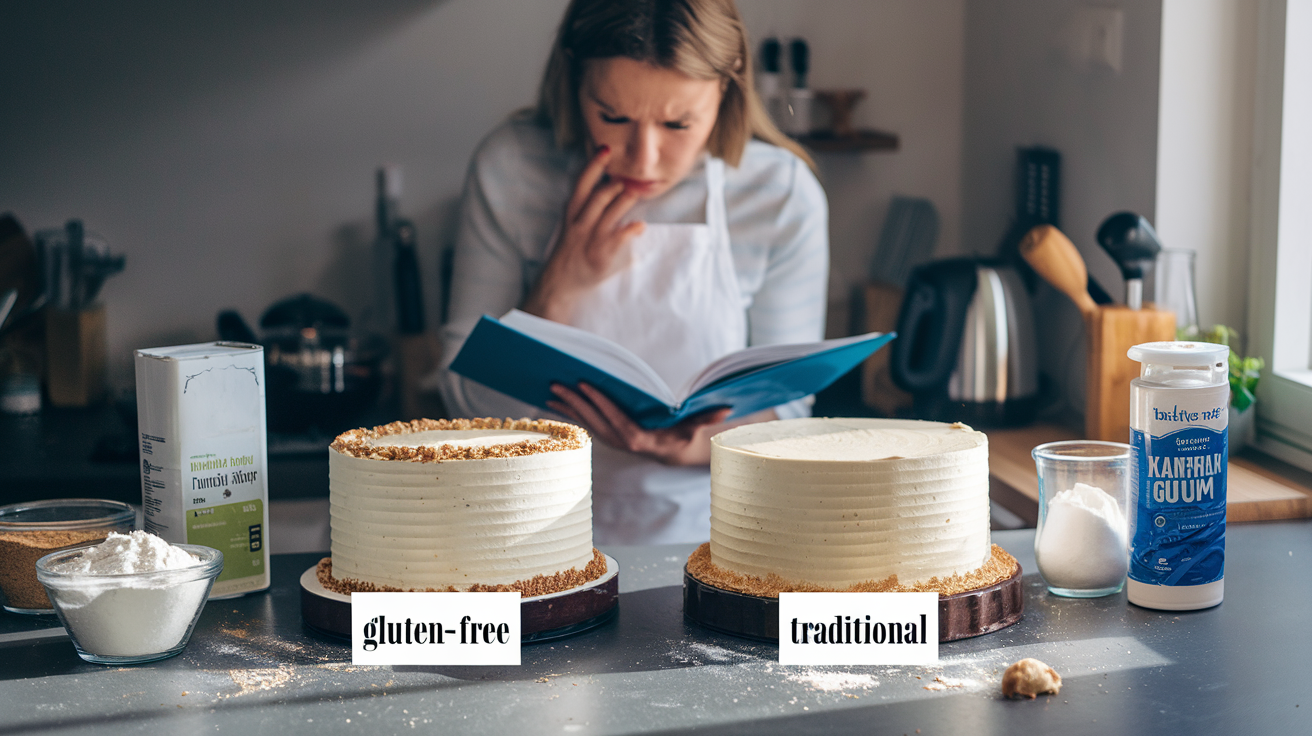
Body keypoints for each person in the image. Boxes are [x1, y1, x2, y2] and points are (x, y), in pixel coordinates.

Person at [438, 0, 828, 545]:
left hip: (718, 536)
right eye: (613, 116)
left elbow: (786, 419)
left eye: (677, 123)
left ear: (728, 89)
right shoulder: (511, 169)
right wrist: (557, 288)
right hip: (526, 534)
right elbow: (464, 406)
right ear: (574, 79)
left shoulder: (781, 194)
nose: (642, 160)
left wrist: (683, 444)